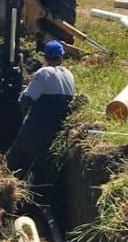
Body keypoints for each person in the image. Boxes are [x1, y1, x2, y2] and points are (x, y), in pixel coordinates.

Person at [6, 40, 76, 174]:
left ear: (45, 57)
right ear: (62, 57)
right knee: (45, 159)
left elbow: (26, 98)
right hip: (60, 125)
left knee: (17, 154)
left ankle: (8, 175)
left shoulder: (43, 72)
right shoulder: (69, 74)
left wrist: (24, 120)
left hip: (41, 122)